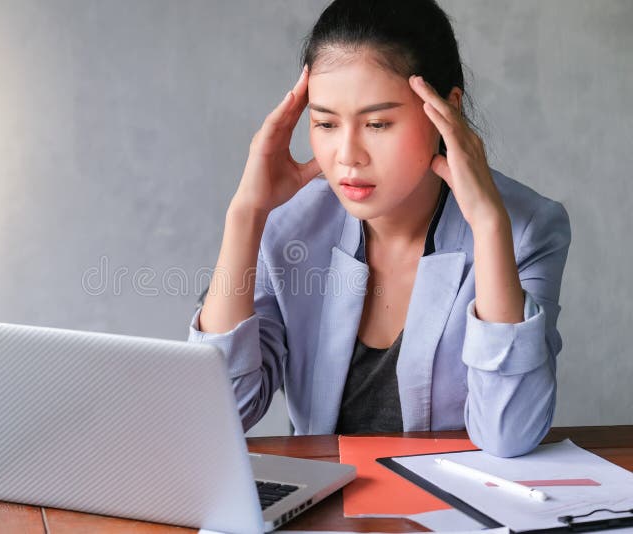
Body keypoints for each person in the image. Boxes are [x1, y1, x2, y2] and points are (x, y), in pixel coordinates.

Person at [187, 0, 570, 458]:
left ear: (444, 111)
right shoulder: (290, 222)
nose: (348, 154)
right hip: (325, 515)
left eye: (377, 123)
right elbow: (217, 413)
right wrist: (245, 217)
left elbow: (509, 434)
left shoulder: (526, 229)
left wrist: (488, 227)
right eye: (325, 123)